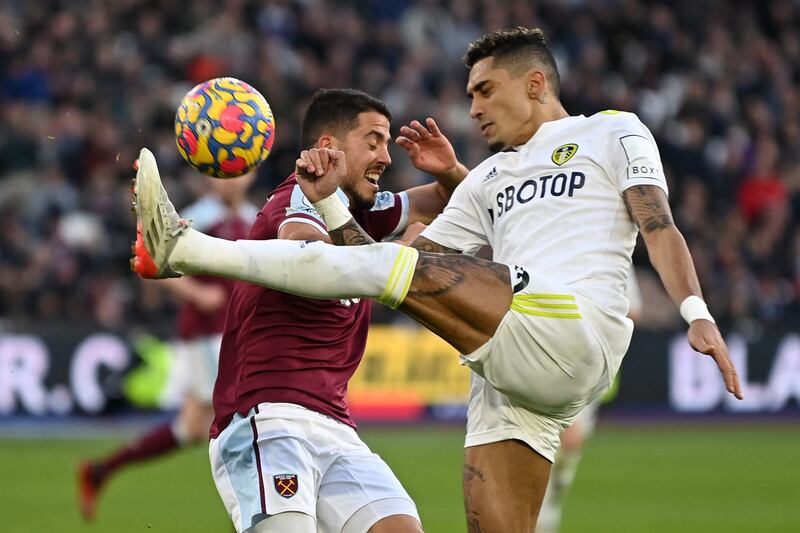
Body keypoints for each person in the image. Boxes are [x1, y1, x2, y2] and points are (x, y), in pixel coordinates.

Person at [130, 28, 743, 533]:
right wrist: (439, 184)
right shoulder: (483, 181)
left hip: (569, 323)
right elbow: (377, 264)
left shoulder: (613, 130)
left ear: (535, 84)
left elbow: (658, 225)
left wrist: (696, 311)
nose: (472, 107)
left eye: (485, 90)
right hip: (509, 374)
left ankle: (185, 246)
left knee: (402, 267)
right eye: (469, 94)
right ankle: (181, 246)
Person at [136, 88, 464, 533]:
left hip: (336, 427)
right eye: (373, 141)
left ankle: (185, 249)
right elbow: (304, 252)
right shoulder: (300, 193)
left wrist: (451, 172)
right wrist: (399, 255)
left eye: (387, 143)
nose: (386, 157)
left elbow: (450, 201)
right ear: (328, 148)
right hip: (268, 418)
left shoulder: (363, 212)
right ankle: (182, 248)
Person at [78, 172, 258, 521]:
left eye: (241, 173)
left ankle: (100, 469)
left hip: (232, 332)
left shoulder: (251, 218)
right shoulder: (197, 216)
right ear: (212, 176)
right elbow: (156, 261)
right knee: (239, 413)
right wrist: (195, 292)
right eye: (226, 175)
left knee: (192, 428)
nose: (232, 182)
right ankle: (260, 508)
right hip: (205, 333)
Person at [535, 266, 641, 533]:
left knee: (567, 448)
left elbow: (635, 310)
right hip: (552, 357)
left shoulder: (617, 256)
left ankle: (546, 512)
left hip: (590, 363)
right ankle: (541, 517)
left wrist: (598, 315)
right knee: (558, 441)